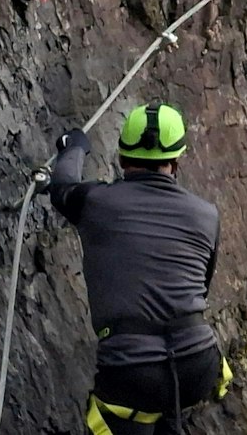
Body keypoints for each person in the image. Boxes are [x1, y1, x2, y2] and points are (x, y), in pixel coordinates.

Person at [48, 102, 232, 435]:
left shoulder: (97, 202)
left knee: (128, 414)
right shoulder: (207, 215)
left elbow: (61, 188)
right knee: (164, 406)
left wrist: (75, 146)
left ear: (121, 157)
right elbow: (202, 287)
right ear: (176, 161)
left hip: (132, 371)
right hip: (198, 364)